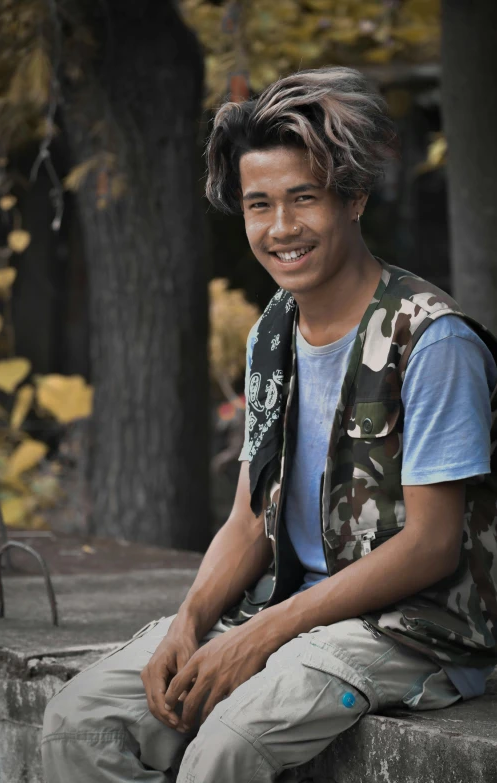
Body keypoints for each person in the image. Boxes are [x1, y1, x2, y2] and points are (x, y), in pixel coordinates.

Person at [42, 67, 497, 783]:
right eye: (259, 205)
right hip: (285, 608)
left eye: (303, 198)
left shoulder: (431, 340)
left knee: (225, 748)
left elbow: (433, 546)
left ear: (353, 197)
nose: (280, 227)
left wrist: (263, 633)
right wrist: (191, 619)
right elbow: (252, 520)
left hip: (410, 630)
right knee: (77, 725)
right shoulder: (273, 334)